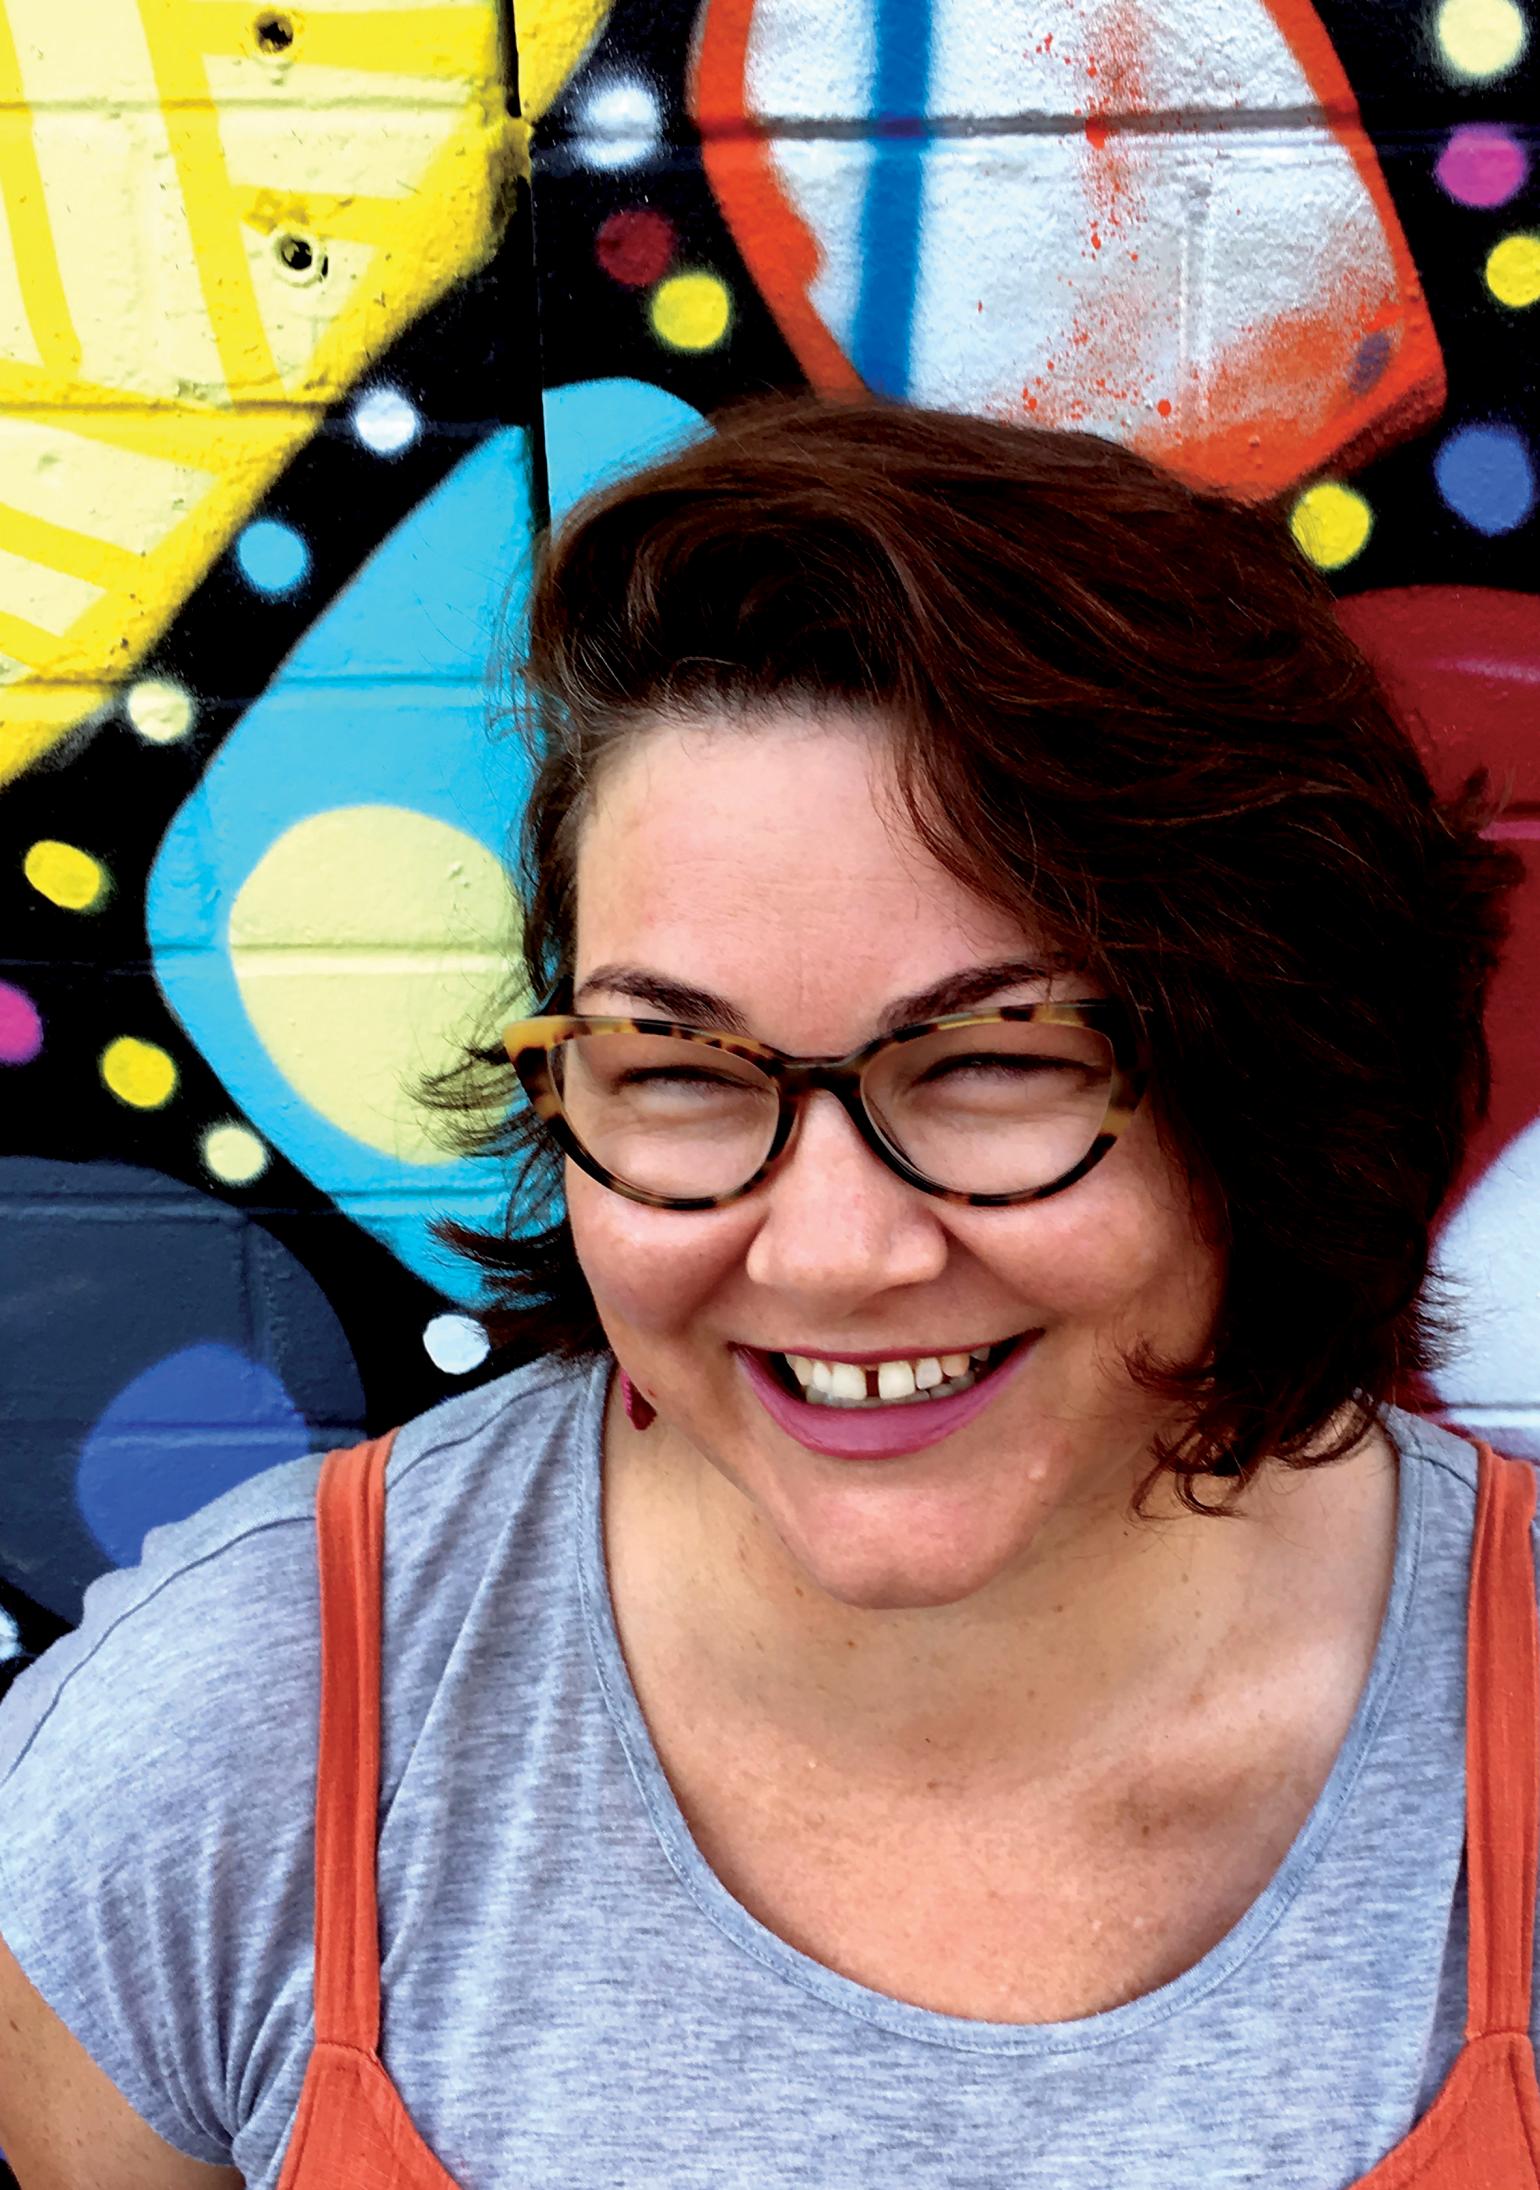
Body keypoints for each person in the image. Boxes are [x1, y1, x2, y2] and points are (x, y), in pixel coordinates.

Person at [0, 394, 1529, 2190]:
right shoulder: (237, 1745)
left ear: (1267, 1080)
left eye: (992, 1061)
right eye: (677, 1068)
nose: (825, 1251)